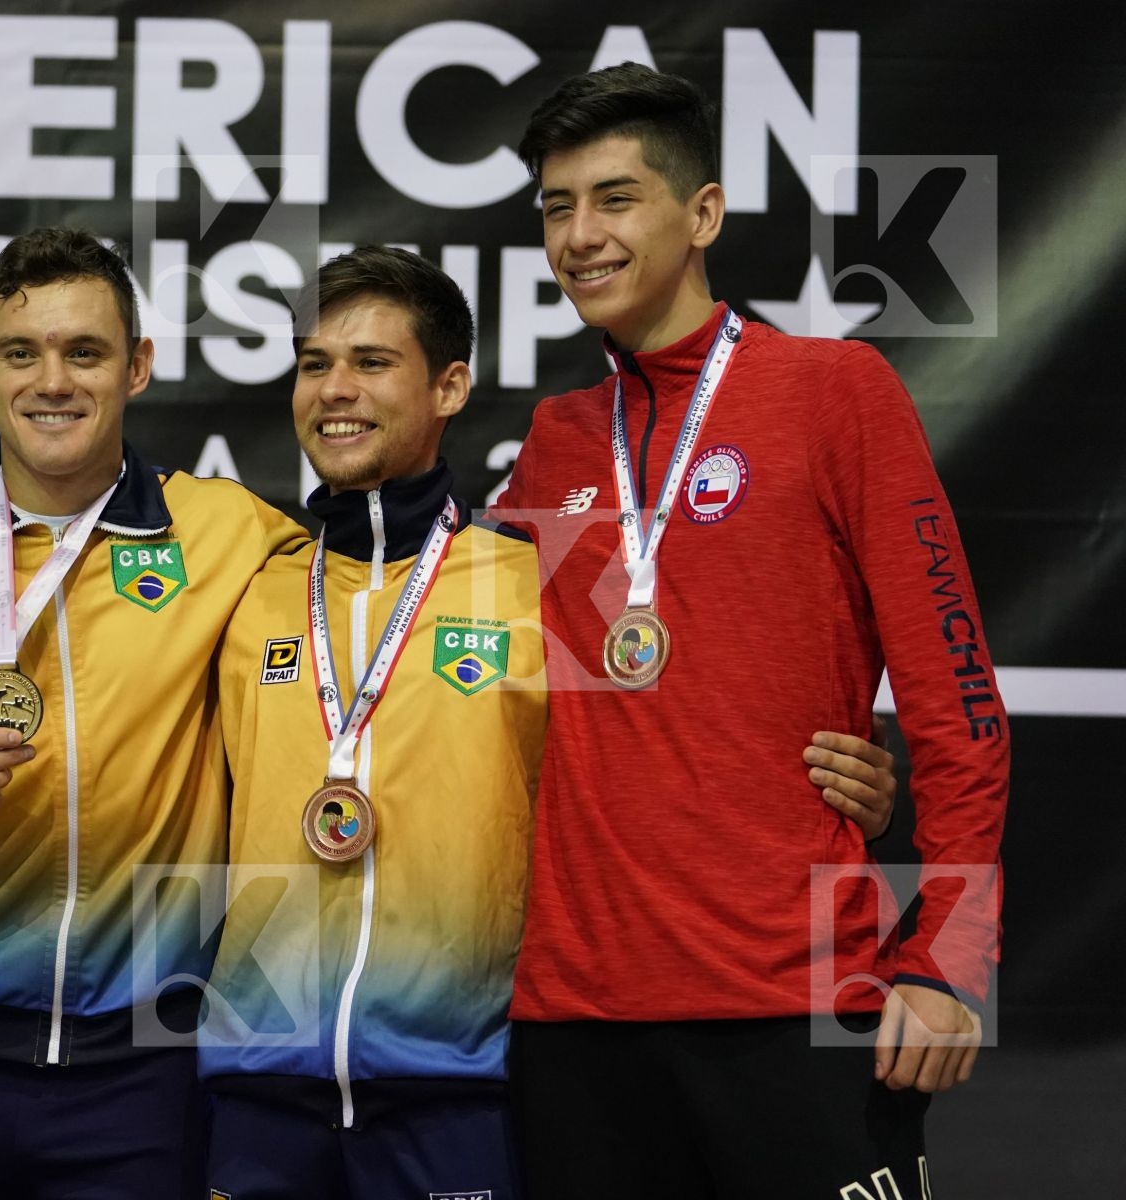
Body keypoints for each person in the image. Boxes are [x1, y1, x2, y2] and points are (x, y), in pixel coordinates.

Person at [200, 246, 902, 1199]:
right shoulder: (245, 583)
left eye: (371, 363)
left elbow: (691, 716)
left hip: (460, 1084)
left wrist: (835, 781)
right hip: (255, 1089)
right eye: (315, 363)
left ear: (451, 386)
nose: (335, 390)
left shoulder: (536, 578)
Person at [492, 63, 1007, 1197]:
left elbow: (958, 696)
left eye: (615, 198)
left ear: (703, 214)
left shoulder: (837, 391)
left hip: (798, 995)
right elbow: (501, 701)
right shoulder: (559, 439)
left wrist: (952, 959)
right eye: (556, 206)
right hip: (573, 1014)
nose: (579, 235)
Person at [0, 227, 307, 1197]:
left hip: (145, 1061)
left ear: (137, 366)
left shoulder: (229, 532)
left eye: (84, 352)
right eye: (22, 352)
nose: (52, 381)